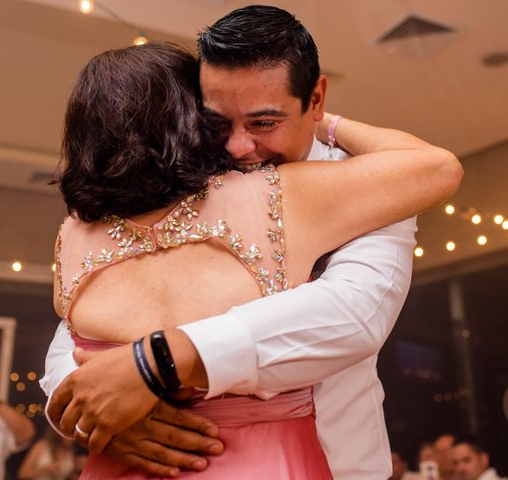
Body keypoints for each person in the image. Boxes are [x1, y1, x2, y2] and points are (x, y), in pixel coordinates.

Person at [41, 6, 462, 479]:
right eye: (218, 123)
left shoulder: (365, 183)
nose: (238, 147)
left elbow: (353, 313)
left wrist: (156, 362)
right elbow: (79, 323)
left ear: (315, 98)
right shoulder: (193, 179)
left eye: (264, 122)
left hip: (331, 455)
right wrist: (90, 407)